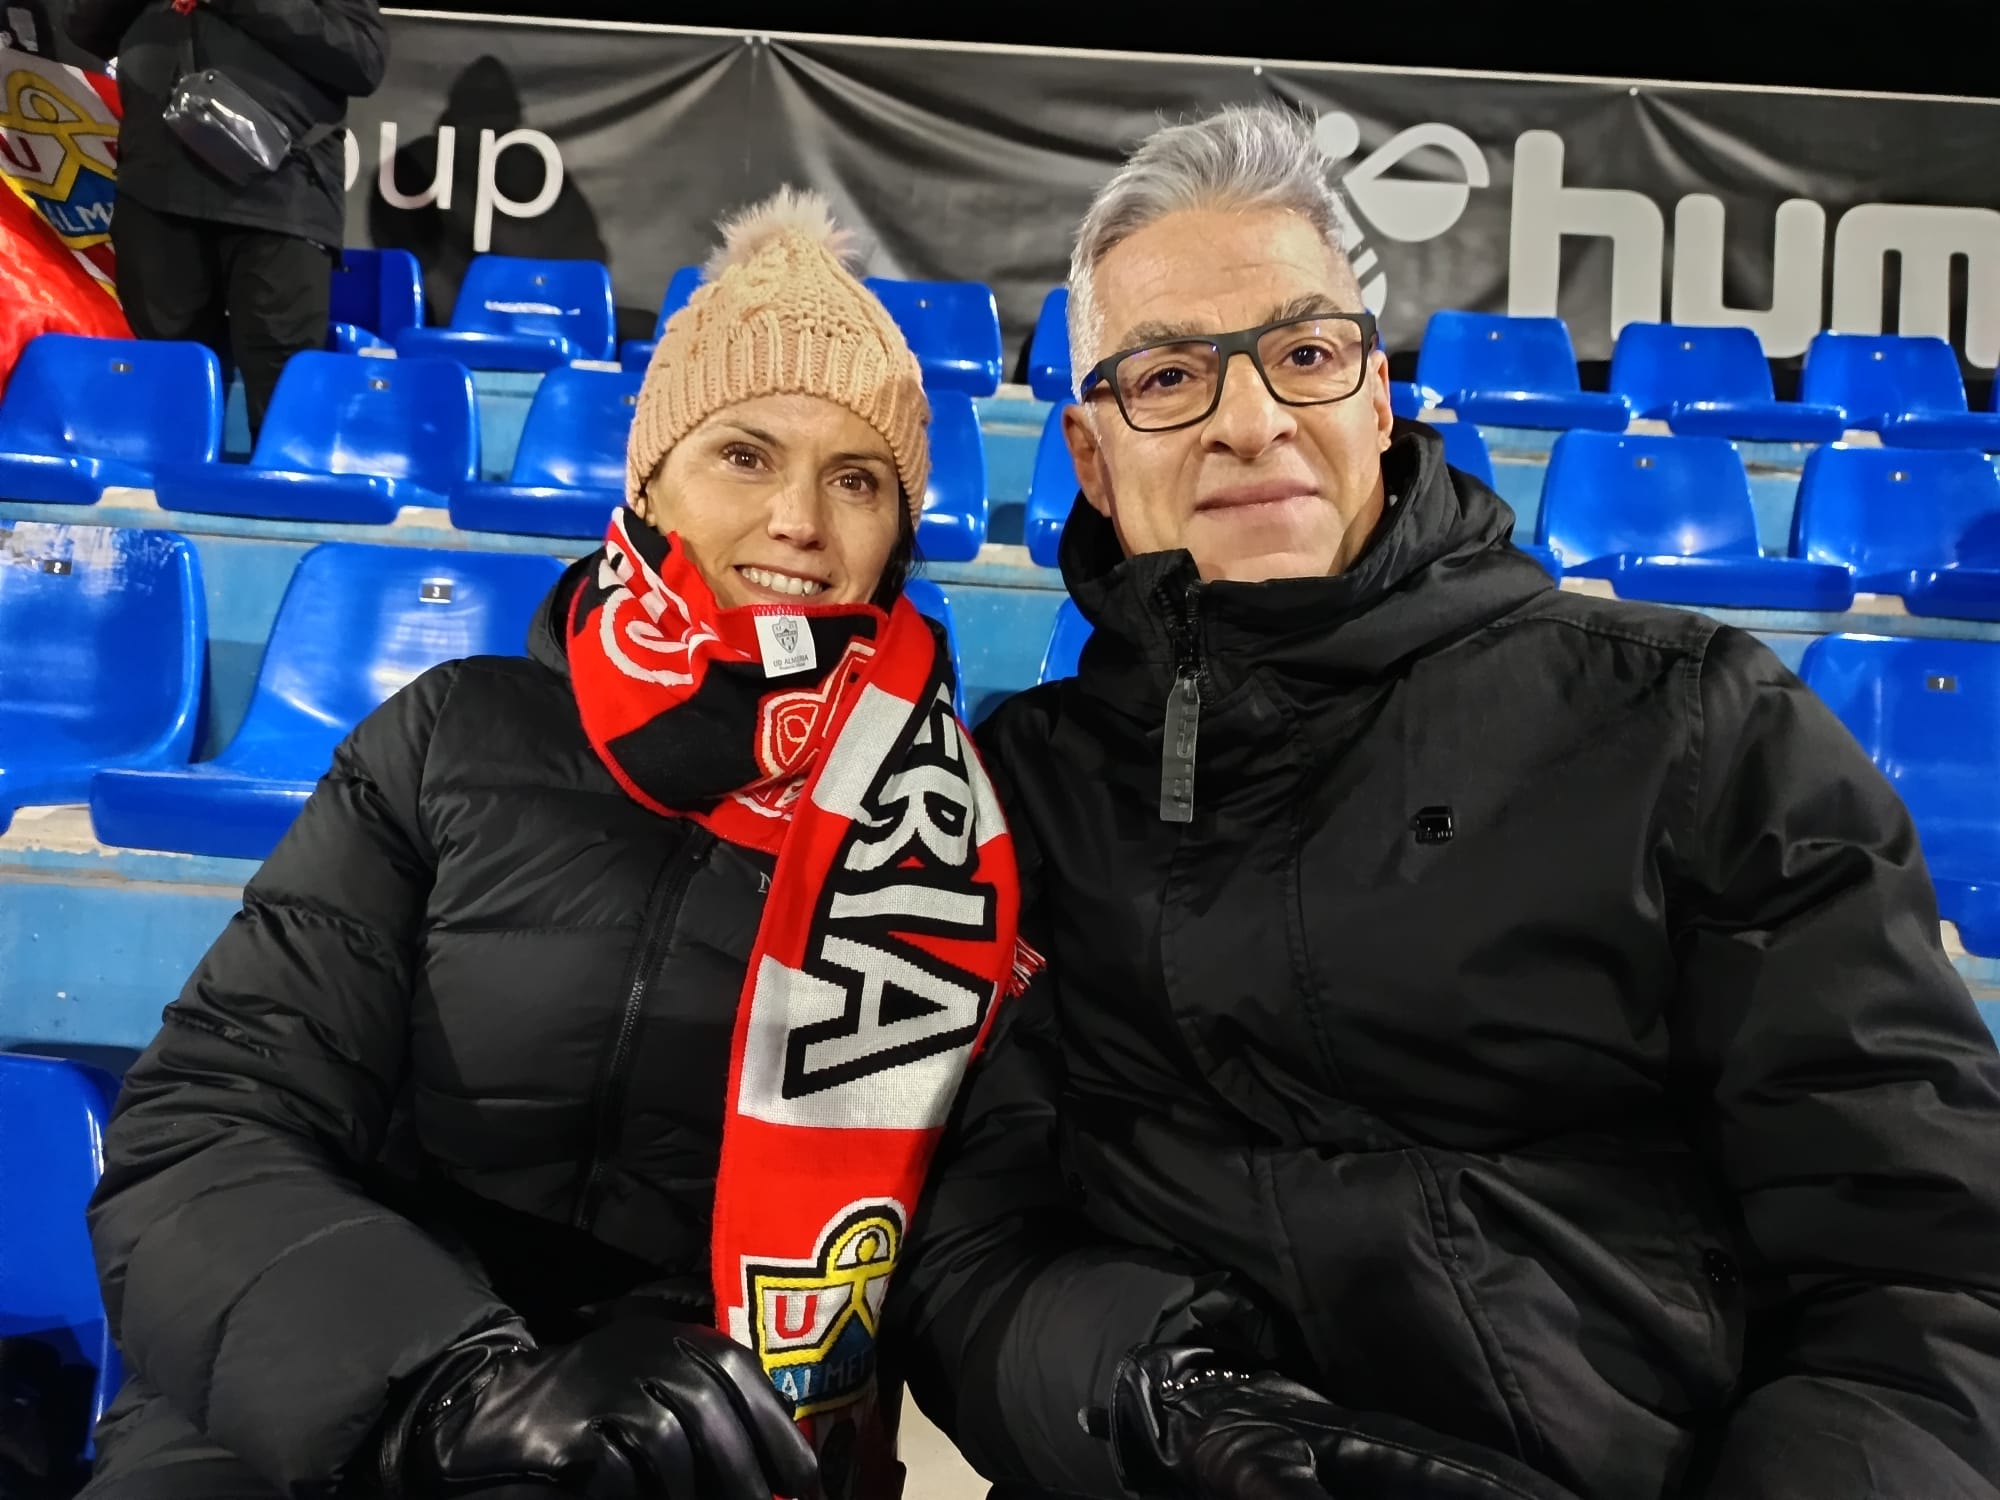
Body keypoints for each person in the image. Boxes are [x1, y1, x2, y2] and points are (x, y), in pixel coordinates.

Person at [892, 105, 2000, 1500]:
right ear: (1095, 454)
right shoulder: (1021, 796)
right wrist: (1168, 1408)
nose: (1251, 420)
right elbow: (970, 1247)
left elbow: (1929, 1269)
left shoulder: (1690, 727)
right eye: (1170, 375)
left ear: (1377, 400)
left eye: (1303, 354)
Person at [81, 188, 1026, 1500]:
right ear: (652, 481)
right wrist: (453, 1380)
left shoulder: (943, 843)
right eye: (744, 455)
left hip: (697, 1443)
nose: (799, 522)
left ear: (895, 533)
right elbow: (215, 1121)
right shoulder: (451, 736)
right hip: (349, 1401)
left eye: (856, 478)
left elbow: (985, 1246)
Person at [64, 0, 387, 438]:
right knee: (164, 400)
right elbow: (84, 28)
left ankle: (285, 506)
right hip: (157, 195)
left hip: (281, 201)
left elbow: (363, 59)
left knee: (283, 405)